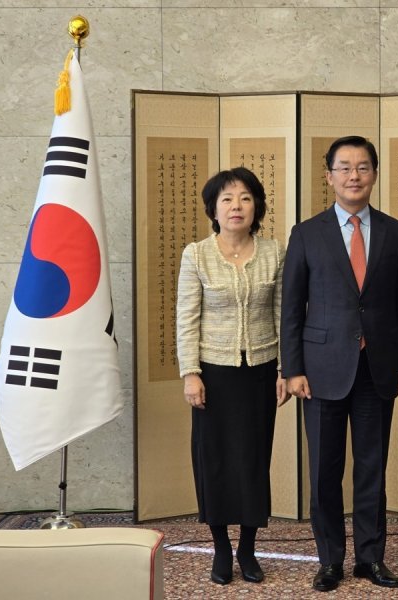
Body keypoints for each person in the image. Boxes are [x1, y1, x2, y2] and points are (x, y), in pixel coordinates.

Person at [281, 135, 398, 593]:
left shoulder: (395, 232)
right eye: (344, 168)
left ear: (374, 174)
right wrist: (292, 368)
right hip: (320, 371)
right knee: (324, 470)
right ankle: (329, 560)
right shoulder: (307, 232)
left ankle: (371, 558)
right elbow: (291, 306)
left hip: (378, 367)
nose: (354, 176)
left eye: (362, 167)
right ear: (329, 177)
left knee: (372, 468)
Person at [176, 167, 288, 586]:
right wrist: (191, 373)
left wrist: (284, 369)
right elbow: (186, 319)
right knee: (215, 461)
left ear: (256, 205)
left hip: (260, 372)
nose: (236, 206)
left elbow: (283, 314)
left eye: (244, 197)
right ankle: (221, 547)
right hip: (213, 376)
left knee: (253, 459)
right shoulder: (197, 254)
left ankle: (248, 548)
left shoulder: (275, 252)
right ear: (214, 209)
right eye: (226, 199)